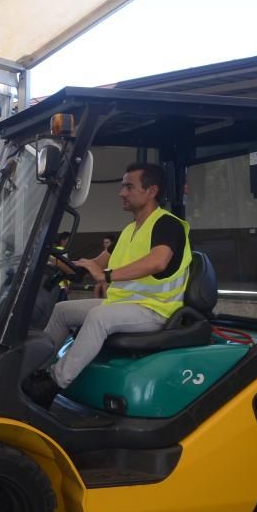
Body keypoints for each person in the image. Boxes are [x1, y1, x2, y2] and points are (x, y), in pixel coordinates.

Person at [23, 163, 192, 409]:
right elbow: (94, 265)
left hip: (156, 310)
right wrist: (54, 262)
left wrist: (108, 276)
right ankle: (32, 371)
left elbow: (158, 261)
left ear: (151, 191)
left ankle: (53, 383)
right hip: (124, 305)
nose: (121, 193)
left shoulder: (167, 224)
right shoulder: (128, 231)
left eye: (128, 186)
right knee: (62, 310)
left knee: (99, 316)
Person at [49, 231, 72, 302]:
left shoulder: (53, 250)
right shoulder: (63, 252)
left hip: (53, 283)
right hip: (61, 285)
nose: (70, 242)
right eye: (69, 240)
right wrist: (66, 285)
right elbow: (63, 269)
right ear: (63, 241)